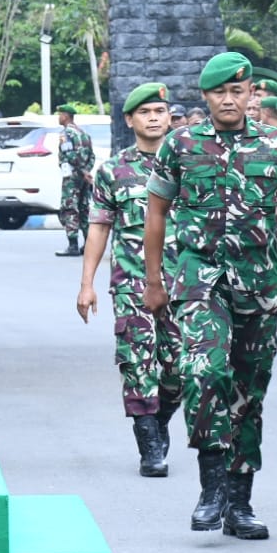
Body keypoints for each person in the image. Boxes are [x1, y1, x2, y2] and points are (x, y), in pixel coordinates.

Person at [144, 52, 277, 540]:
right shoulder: (181, 143)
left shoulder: (276, 141)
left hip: (257, 282)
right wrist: (154, 280)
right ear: (206, 96)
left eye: (237, 91)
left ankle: (240, 502)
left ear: (250, 93)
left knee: (248, 392)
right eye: (219, 92)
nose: (229, 100)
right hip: (199, 278)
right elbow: (156, 213)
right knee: (204, 370)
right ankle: (211, 486)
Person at [78, 82, 182, 478]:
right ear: (129, 120)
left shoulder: (189, 164)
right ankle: (149, 444)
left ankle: (160, 418)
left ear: (170, 117)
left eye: (159, 111)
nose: (153, 118)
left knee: (179, 367)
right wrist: (86, 284)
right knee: (137, 361)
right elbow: (99, 228)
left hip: (183, 283)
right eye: (145, 113)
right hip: (132, 282)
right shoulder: (113, 171)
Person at [55, 104, 95, 257]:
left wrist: (81, 171)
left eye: (60, 115)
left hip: (72, 176)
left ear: (65, 116)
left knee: (70, 208)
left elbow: (69, 154)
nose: (59, 117)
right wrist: (87, 171)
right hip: (84, 177)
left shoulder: (66, 134)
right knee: (84, 208)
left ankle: (73, 245)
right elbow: (92, 156)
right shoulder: (84, 133)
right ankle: (88, 244)